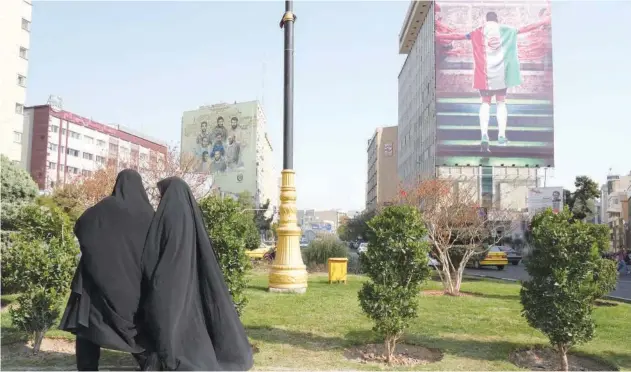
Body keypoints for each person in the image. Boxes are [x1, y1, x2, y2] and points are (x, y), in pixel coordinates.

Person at [140, 177, 253, 371]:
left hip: (170, 279)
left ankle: (170, 357)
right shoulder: (190, 214)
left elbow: (153, 250)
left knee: (169, 320)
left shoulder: (167, 214)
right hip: (191, 277)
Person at [59, 169, 155, 371]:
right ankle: (149, 366)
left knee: (89, 329)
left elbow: (81, 226)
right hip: (134, 287)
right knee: (137, 332)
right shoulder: (148, 214)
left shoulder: (101, 209)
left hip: (97, 285)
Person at [436, 11, 551, 151]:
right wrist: (544, 21)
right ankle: (501, 136)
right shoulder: (507, 30)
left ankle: (484, 135)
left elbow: (457, 36)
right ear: (497, 19)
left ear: (486, 20)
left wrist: (437, 35)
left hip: (485, 76)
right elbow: (526, 28)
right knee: (501, 103)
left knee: (485, 103)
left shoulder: (477, 32)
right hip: (501, 76)